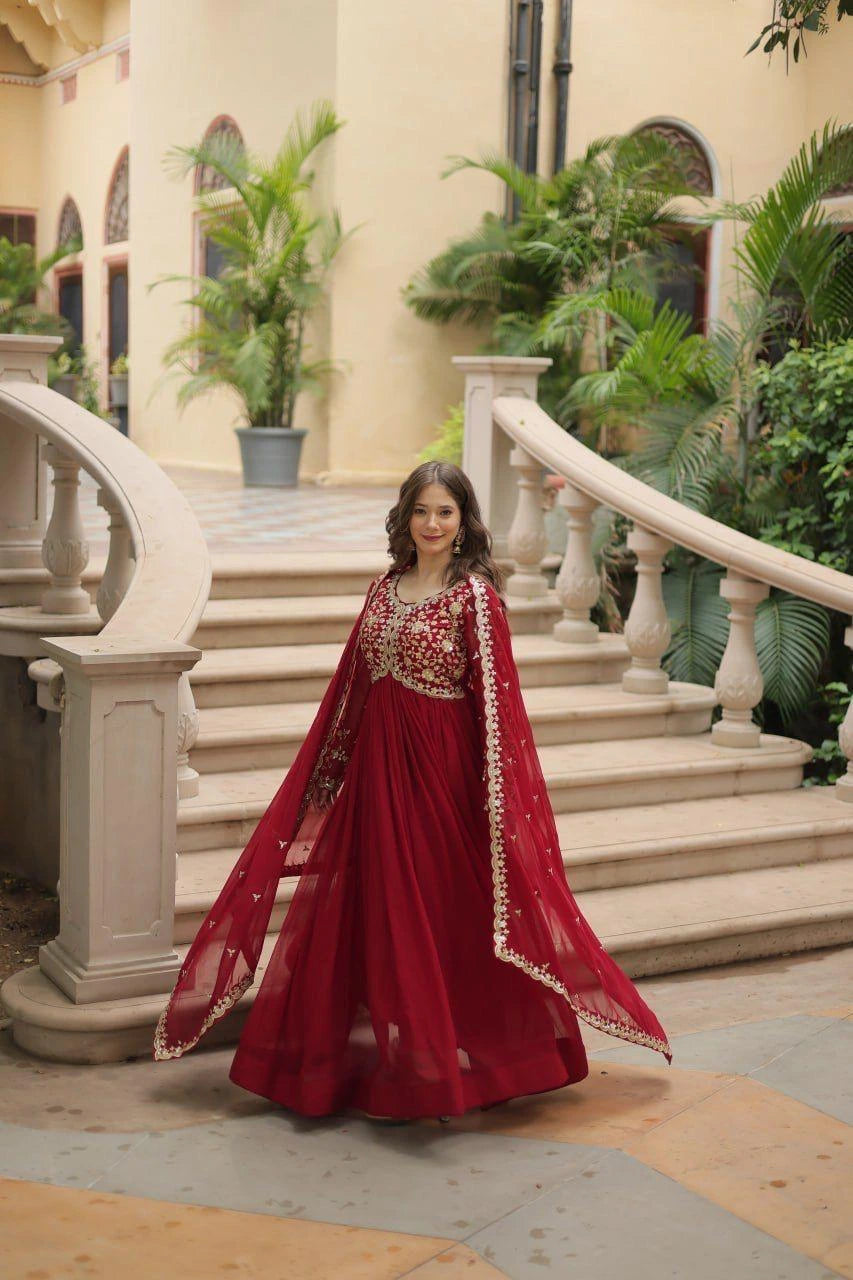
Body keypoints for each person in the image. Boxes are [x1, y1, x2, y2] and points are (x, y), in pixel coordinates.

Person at [154, 461, 671, 1119]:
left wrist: (493, 803)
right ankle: (369, 1057)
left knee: (433, 910)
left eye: (444, 513)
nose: (431, 524)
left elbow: (497, 708)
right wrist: (329, 779)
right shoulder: (383, 589)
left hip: (440, 778)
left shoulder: (474, 599)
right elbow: (351, 692)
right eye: (421, 511)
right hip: (375, 772)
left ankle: (440, 1065)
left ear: (463, 523)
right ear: (405, 516)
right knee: (374, 908)